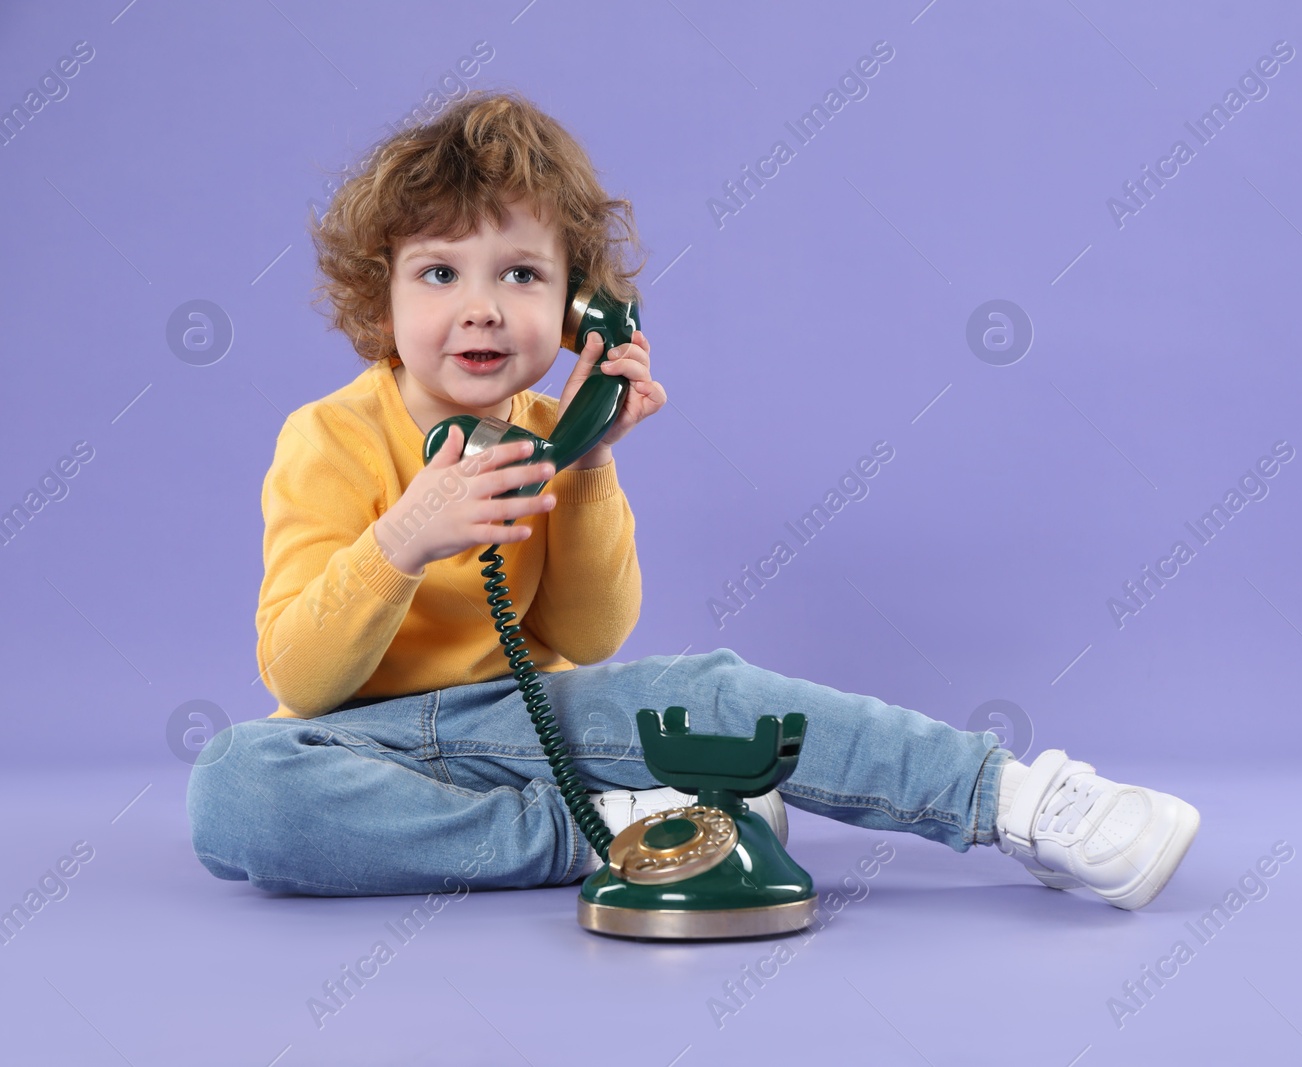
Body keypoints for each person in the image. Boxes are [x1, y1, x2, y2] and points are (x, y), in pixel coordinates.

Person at [185, 88, 1200, 910]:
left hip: (527, 720)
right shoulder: (327, 435)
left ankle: (1015, 799)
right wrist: (403, 536)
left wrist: (586, 460)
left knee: (710, 686)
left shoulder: (547, 431)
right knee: (237, 785)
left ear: (580, 305)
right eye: (440, 271)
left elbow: (590, 634)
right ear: (383, 295)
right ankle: (621, 830)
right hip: (363, 742)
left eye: (522, 273)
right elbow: (300, 675)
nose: (481, 306)